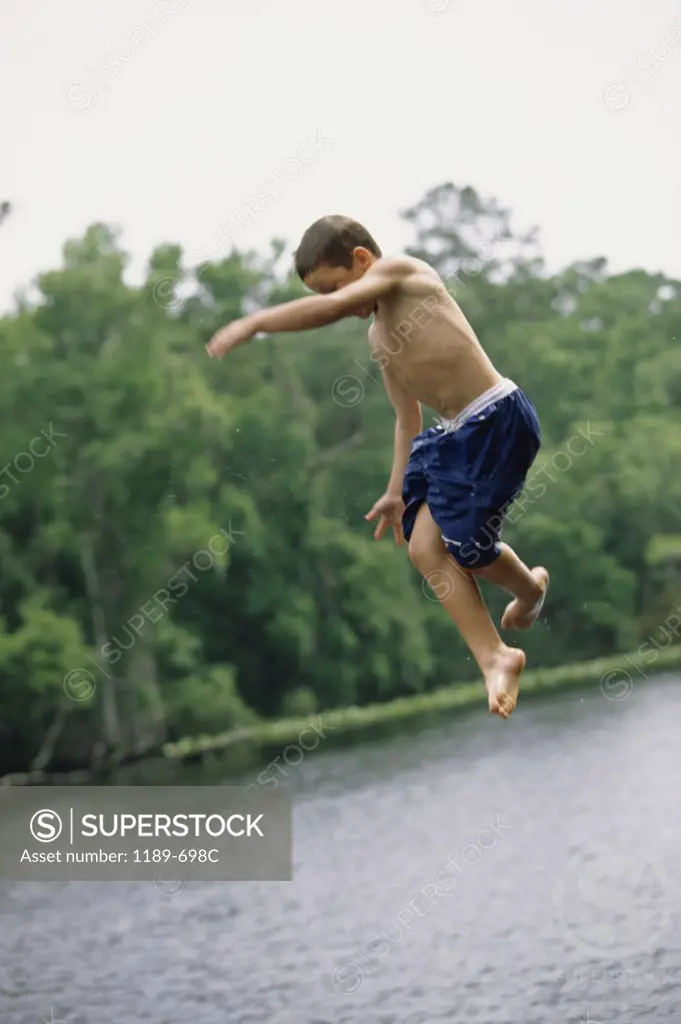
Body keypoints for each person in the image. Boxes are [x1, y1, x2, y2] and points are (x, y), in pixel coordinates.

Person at [206, 215, 548, 719]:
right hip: (455, 436)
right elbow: (407, 417)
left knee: (466, 549)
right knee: (425, 547)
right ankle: (496, 655)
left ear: (362, 260)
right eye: (325, 292)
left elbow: (329, 310)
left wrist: (256, 322)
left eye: (335, 285)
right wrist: (394, 491)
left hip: (497, 418)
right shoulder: (378, 337)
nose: (338, 302)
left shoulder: (404, 274)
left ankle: (529, 590)